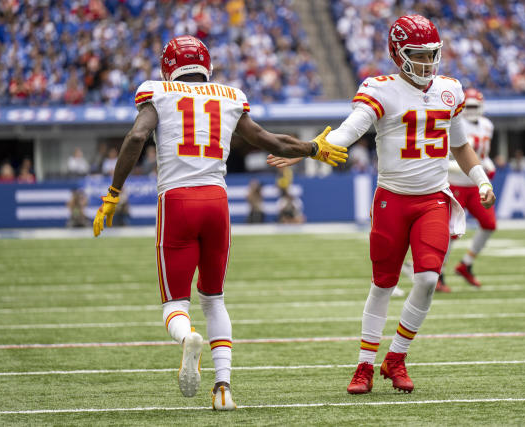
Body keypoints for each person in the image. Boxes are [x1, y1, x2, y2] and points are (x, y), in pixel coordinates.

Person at [92, 35, 347, 410]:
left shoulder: (157, 92)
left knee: (174, 303)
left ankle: (187, 339)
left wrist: (113, 192)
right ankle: (223, 388)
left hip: (177, 200)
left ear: (169, 68)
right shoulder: (228, 95)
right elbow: (267, 140)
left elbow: (136, 137)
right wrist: (312, 148)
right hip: (217, 201)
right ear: (205, 65)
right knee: (214, 299)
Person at [267, 15, 495, 394]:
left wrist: (481, 179)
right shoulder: (381, 89)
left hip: (434, 199)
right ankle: (364, 365)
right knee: (383, 284)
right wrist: (312, 148)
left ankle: (397, 356)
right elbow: (349, 129)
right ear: (398, 54)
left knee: (425, 280)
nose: (428, 63)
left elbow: (460, 145)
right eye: (419, 55)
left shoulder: (450, 90)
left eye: (432, 54)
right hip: (392, 199)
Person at [439, 88, 497, 291]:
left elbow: (483, 154)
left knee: (489, 224)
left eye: (475, 106)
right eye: (468, 106)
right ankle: (439, 274)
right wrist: (472, 168)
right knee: (451, 233)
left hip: (475, 186)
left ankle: (466, 264)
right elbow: (442, 159)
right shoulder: (454, 124)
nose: (471, 111)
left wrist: (487, 166)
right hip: (455, 184)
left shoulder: (487, 125)